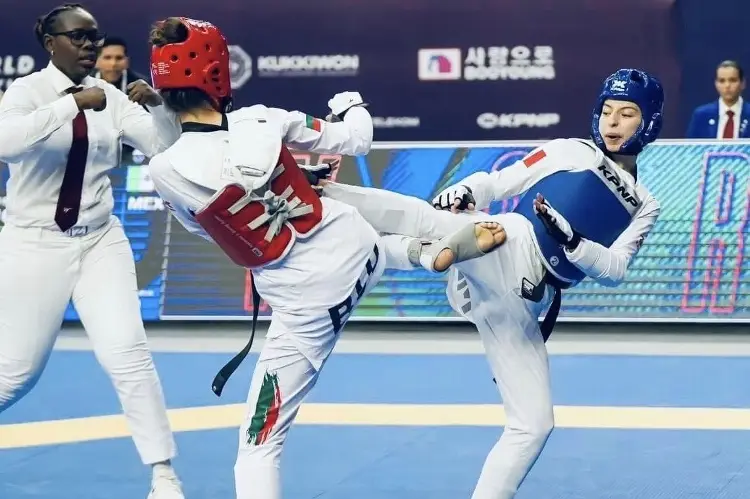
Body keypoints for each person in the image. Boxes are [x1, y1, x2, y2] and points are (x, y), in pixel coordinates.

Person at [144, 16, 506, 499]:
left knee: (258, 445)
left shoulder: (164, 170)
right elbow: (358, 139)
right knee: (352, 207)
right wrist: (350, 104)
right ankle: (427, 252)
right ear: (219, 74)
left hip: (308, 306)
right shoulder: (262, 120)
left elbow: (210, 225)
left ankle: (418, 252)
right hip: (353, 243)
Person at [316, 68, 663, 498]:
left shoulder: (645, 205)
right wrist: (466, 189)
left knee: (534, 425)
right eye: (607, 111)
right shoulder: (571, 151)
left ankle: (419, 250)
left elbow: (615, 269)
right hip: (510, 241)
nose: (612, 122)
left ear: (646, 122)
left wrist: (572, 241)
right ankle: (323, 197)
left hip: (526, 303)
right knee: (434, 218)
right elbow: (501, 179)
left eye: (626, 113)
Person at [0, 4, 185, 498]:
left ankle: (164, 475)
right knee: (14, 375)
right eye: (77, 38)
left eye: (94, 38)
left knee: (128, 353)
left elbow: (163, 150)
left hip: (101, 239)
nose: (89, 46)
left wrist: (160, 109)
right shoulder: (26, 92)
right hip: (33, 244)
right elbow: (6, 143)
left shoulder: (113, 96)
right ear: (50, 45)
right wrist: (71, 104)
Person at [686, 60, 750, 139]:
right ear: (716, 84)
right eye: (722, 81)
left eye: (732, 80)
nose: (727, 85)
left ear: (743, 83)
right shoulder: (701, 115)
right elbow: (690, 148)